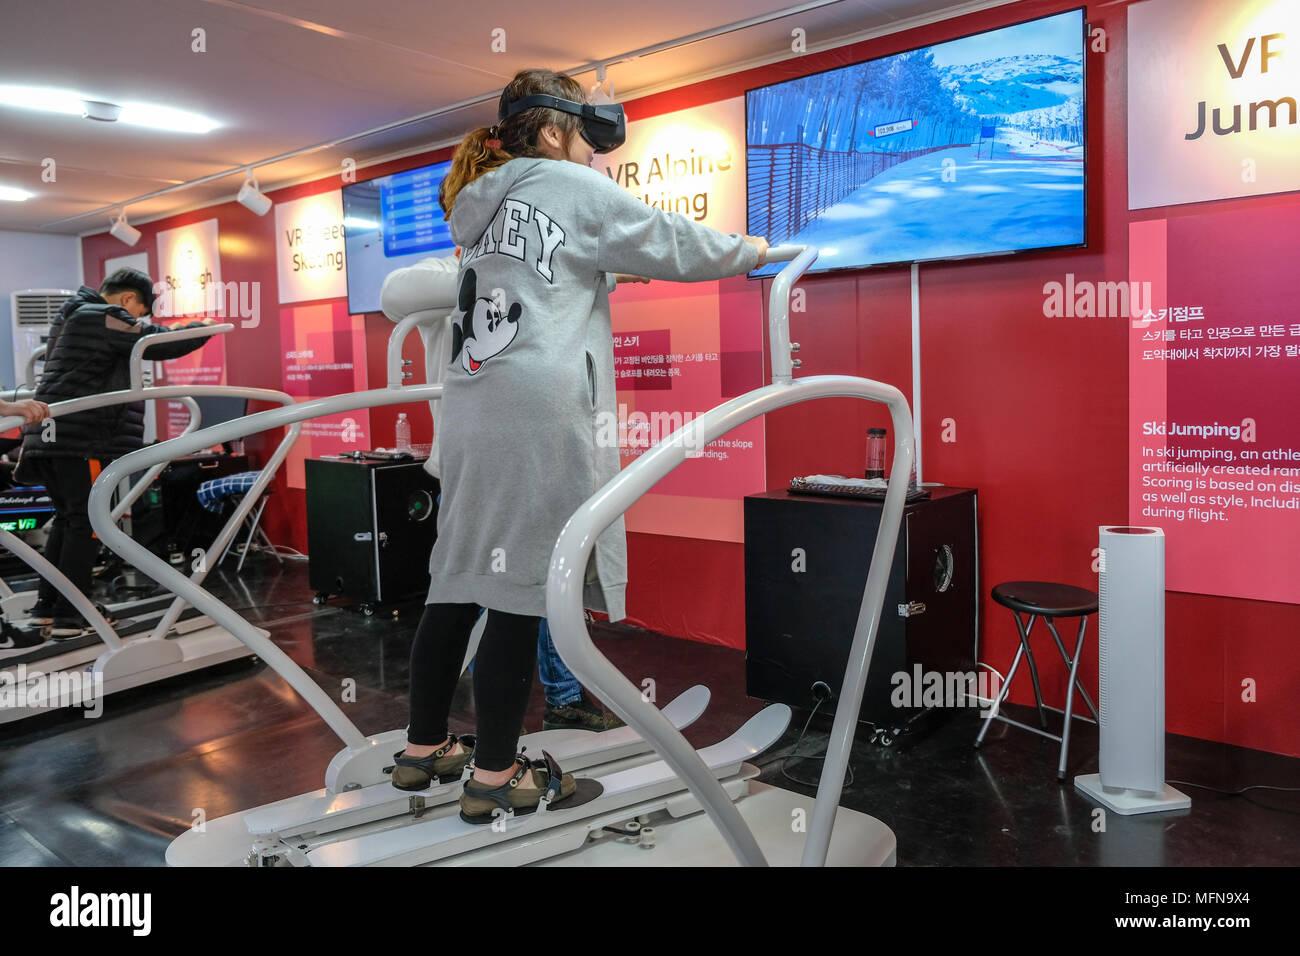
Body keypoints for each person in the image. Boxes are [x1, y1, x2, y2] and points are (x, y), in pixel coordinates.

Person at [389, 68, 767, 823]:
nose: (594, 160)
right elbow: (673, 240)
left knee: (459, 578)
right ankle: (497, 775)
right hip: (539, 409)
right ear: (560, 130)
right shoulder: (570, 184)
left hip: (469, 406)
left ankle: (424, 747)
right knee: (520, 591)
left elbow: (539, 274)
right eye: (587, 143)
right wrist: (754, 249)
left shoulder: (480, 202)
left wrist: (602, 271)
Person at [381, 252, 628, 733]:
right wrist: (498, 265)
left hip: (537, 455)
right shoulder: (443, 274)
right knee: (479, 597)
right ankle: (477, 743)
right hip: (477, 465)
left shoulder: (537, 273)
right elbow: (394, 293)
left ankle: (558, 698)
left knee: (542, 582)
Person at [14, 268, 215, 639]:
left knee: (68, 521)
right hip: (81, 438)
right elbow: (155, 342)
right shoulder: (101, 316)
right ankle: (70, 616)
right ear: (126, 300)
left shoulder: (75, 315)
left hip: (56, 436)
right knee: (85, 523)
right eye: (137, 311)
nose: (135, 319)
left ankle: (49, 608)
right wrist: (204, 327)